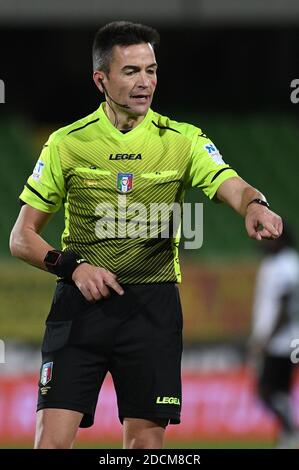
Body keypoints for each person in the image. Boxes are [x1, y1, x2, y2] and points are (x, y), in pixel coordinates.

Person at [10, 21, 282, 449]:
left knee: (146, 449)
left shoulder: (183, 140)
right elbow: (21, 237)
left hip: (151, 309)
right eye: (132, 71)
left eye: (151, 70)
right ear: (101, 79)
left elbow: (232, 183)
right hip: (79, 306)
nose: (146, 82)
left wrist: (254, 205)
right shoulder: (66, 144)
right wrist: (73, 268)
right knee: (51, 444)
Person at [249, 225, 299, 448]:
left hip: (283, 341)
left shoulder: (287, 264)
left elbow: (284, 303)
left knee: (266, 390)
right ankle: (287, 435)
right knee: (278, 391)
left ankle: (290, 429)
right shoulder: (274, 263)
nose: (264, 242)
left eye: (269, 237)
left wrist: (267, 339)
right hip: (279, 339)